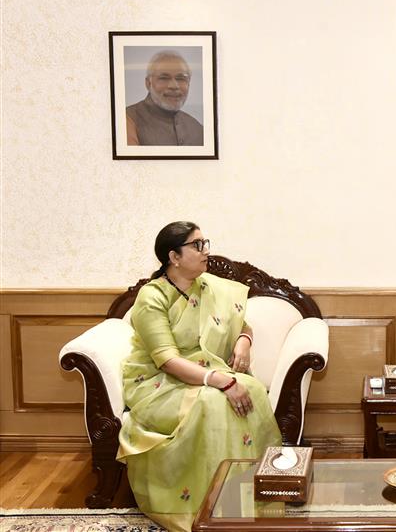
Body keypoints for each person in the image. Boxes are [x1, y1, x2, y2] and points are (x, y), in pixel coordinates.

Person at [117, 221, 281, 531]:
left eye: (205, 243)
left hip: (209, 370)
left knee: (252, 390)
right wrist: (221, 381)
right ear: (174, 257)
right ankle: (208, 509)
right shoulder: (152, 298)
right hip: (158, 383)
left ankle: (248, 502)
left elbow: (241, 323)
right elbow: (166, 360)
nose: (206, 251)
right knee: (214, 403)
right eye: (197, 245)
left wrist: (244, 341)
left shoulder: (210, 286)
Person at [126, 51, 204, 146]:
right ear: (148, 83)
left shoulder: (197, 128)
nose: (174, 86)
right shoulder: (128, 121)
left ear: (188, 83)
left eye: (181, 78)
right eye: (164, 78)